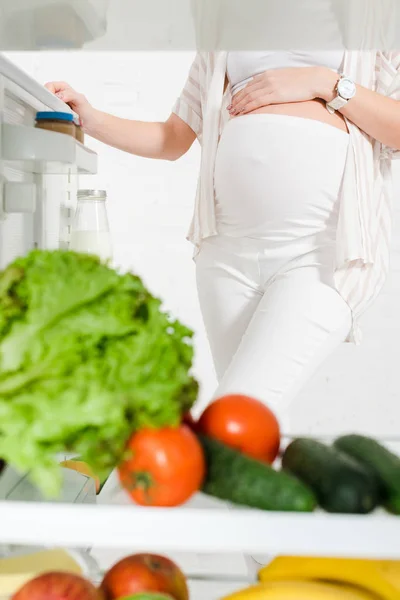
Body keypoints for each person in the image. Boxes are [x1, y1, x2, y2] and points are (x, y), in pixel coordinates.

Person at [46, 28, 400, 427]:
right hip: (227, 258)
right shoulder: (230, 22)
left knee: (230, 420)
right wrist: (90, 118)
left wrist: (326, 83)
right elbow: (171, 139)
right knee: (253, 433)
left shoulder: (372, 17)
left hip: (321, 256)